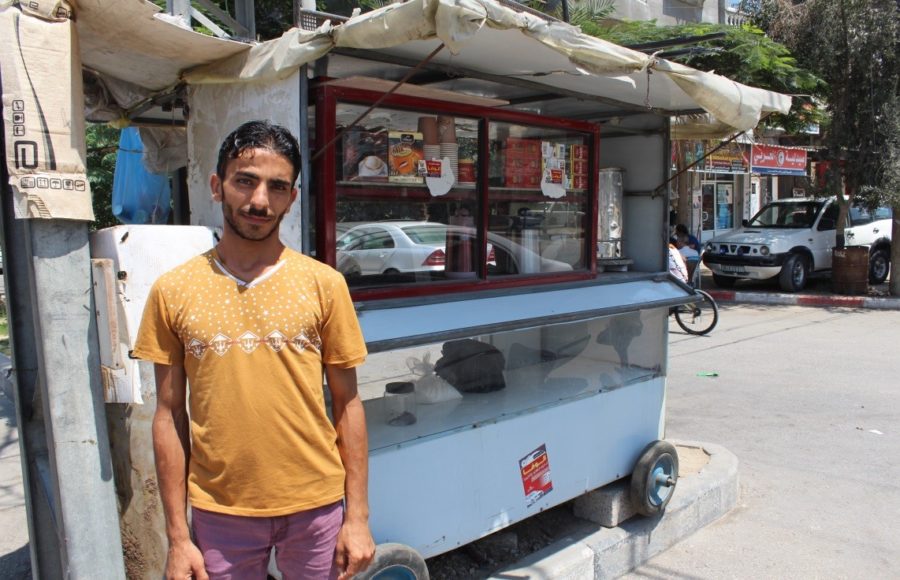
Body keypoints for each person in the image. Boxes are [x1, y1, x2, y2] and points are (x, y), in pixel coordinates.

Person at [133, 120, 375, 580]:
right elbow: (168, 415)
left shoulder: (324, 285)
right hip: (220, 511)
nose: (260, 201)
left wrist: (357, 518)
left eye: (277, 187)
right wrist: (178, 538)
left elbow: (348, 403)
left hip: (317, 507)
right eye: (245, 180)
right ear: (217, 186)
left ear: (292, 198)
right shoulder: (173, 290)